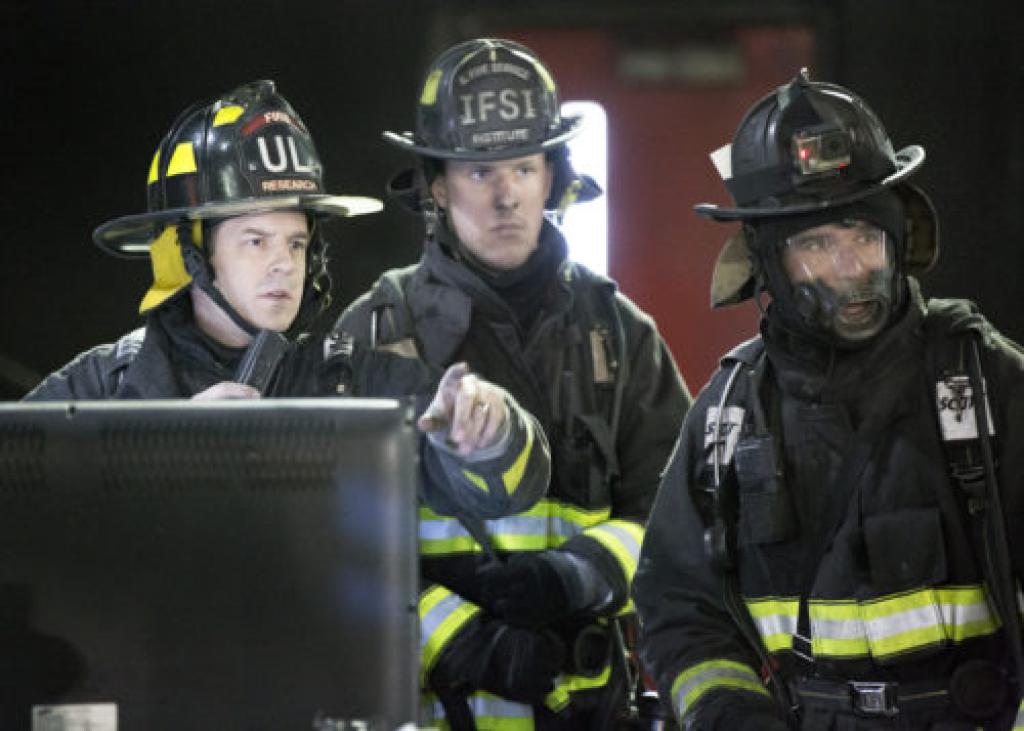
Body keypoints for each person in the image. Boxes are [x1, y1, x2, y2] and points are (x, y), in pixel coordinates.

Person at [633, 69, 1024, 731]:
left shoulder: (982, 381)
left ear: (898, 237)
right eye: (816, 245)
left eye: (862, 237)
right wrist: (729, 712)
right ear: (766, 261)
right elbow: (677, 604)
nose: (850, 271)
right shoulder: (730, 411)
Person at [336, 38, 692, 730]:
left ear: (553, 176)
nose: (505, 196)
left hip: (587, 709)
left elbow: (680, 521)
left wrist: (578, 574)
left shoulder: (619, 332)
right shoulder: (376, 333)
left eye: (524, 167)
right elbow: (334, 550)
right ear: (436, 185)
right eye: (479, 170)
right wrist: (465, 640)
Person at [25, 79, 551, 522]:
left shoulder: (352, 385)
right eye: (256, 241)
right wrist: (161, 450)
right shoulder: (104, 386)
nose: (283, 263)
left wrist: (490, 434)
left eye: (296, 243)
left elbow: (509, 491)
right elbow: (22, 511)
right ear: (189, 255)